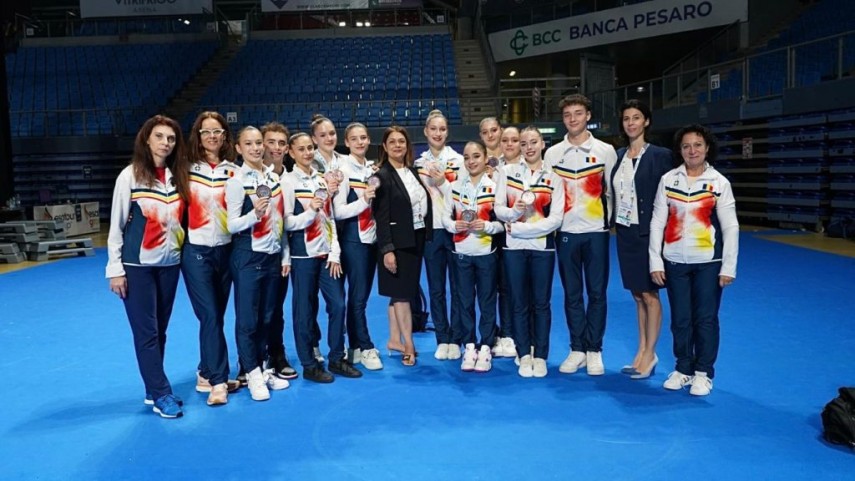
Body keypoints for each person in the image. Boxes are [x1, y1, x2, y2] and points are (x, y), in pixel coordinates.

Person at [106, 114, 190, 418]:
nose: (166, 143)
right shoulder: (129, 176)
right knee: (147, 333)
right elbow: (116, 227)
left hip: (170, 265)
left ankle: (152, 387)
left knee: (161, 330)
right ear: (146, 139)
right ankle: (161, 394)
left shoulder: (177, 177)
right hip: (137, 265)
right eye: (159, 137)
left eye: (171, 138)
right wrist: (115, 269)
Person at [649, 124, 739, 397]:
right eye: (686, 146)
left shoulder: (719, 183)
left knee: (705, 319)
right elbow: (657, 222)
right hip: (675, 261)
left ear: (707, 147)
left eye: (697, 145)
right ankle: (683, 368)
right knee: (680, 320)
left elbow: (730, 227)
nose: (692, 150)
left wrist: (728, 266)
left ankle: (703, 372)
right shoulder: (668, 180)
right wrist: (656, 261)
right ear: (680, 150)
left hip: (708, 263)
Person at [544, 94, 617, 377]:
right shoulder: (552, 154)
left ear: (588, 115)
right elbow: (548, 194)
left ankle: (594, 349)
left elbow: (611, 192)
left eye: (578, 113)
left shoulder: (605, 151)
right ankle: (577, 348)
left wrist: (607, 224)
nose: (572, 119)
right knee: (572, 294)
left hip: (596, 233)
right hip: (565, 234)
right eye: (567, 115)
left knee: (597, 294)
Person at [283, 132, 361, 383]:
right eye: (301, 149)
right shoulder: (287, 182)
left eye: (309, 148)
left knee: (338, 305)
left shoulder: (321, 180)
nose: (307, 153)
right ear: (291, 153)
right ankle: (309, 363)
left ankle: (337, 358)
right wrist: (310, 212)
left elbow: (329, 220)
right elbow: (286, 223)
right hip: (302, 256)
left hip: (327, 255)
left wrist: (335, 252)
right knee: (304, 312)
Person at [225, 126, 291, 401]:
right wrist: (254, 214)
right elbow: (231, 225)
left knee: (267, 316)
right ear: (238, 148)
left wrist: (284, 254)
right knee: (248, 319)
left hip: (272, 255)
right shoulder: (236, 180)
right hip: (247, 255)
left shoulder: (272, 177)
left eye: (257, 143)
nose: (255, 148)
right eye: (248, 144)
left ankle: (262, 368)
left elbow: (280, 221)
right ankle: (250, 373)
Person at [610, 100, 674, 380]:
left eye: (636, 118)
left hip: (649, 233)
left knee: (650, 294)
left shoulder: (661, 155)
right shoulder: (619, 154)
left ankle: (651, 353)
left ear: (646, 121)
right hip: (625, 233)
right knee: (637, 294)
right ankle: (641, 351)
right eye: (626, 118)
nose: (631, 123)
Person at [183, 111, 242, 406]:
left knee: (216, 316)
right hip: (196, 251)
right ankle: (219, 381)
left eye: (217, 131)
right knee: (208, 314)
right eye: (206, 132)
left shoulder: (235, 170)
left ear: (225, 136)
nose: (212, 137)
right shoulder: (186, 169)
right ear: (198, 136)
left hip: (227, 250)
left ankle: (205, 372)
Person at [495, 126, 564, 378]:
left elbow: (556, 218)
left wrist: (522, 229)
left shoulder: (554, 178)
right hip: (513, 248)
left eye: (533, 142)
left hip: (541, 248)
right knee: (519, 302)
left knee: (541, 303)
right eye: (523, 144)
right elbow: (499, 209)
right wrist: (515, 212)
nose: (529, 147)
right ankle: (524, 353)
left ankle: (541, 355)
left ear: (542, 144)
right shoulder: (506, 172)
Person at [442, 141, 504, 372]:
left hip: (486, 253)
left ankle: (486, 346)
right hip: (462, 254)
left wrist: (487, 226)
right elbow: (445, 219)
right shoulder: (454, 187)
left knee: (487, 301)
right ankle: (469, 345)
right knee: (465, 302)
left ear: (486, 157)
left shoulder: (495, 186)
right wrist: (453, 225)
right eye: (467, 157)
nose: (472, 161)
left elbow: (502, 224)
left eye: (476, 156)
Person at [373, 126, 432, 367]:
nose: (398, 145)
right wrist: (387, 249)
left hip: (415, 238)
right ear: (385, 147)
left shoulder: (412, 172)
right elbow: (381, 216)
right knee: (402, 295)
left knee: (399, 293)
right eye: (392, 142)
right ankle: (409, 344)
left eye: (402, 141)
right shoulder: (382, 176)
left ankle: (394, 339)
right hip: (397, 243)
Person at [333, 122, 383, 370]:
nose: (361, 142)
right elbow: (338, 211)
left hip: (372, 238)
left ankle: (354, 347)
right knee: (358, 297)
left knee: (360, 296)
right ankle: (364, 345)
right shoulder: (343, 170)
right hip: (354, 238)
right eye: (355, 139)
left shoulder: (372, 169)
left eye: (364, 137)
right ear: (347, 142)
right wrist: (363, 200)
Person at [415, 109, 463, 361]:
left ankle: (456, 338)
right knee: (436, 289)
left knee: (457, 287)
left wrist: (444, 181)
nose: (437, 133)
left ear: (447, 132)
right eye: (433, 129)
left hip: (454, 230)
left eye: (442, 129)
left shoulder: (459, 161)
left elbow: (462, 196)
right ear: (426, 131)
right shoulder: (419, 164)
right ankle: (442, 338)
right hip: (431, 232)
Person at [260, 122, 299, 381]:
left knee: (276, 309)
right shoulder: (250, 177)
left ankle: (277, 354)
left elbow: (286, 222)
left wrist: (285, 255)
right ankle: (253, 359)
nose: (276, 148)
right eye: (271, 142)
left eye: (281, 143)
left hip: (281, 254)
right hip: (251, 253)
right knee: (255, 310)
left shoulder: (292, 179)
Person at [491, 124, 522, 358]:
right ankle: (502, 333)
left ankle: (514, 334)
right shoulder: (495, 170)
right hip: (497, 233)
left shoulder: (530, 169)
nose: (509, 144)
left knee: (515, 287)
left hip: (523, 234)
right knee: (501, 286)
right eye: (505, 141)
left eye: (514, 140)